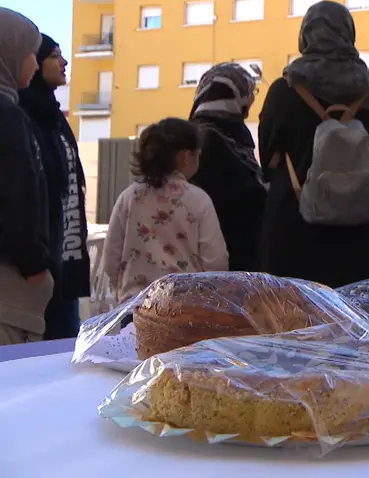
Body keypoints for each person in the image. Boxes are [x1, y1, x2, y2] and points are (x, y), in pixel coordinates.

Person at [256, 1, 369, 288]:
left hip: (295, 215)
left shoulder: (285, 90)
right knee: (356, 311)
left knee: (291, 313)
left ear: (305, 35)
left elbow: (268, 155)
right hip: (361, 217)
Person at [103, 118, 228, 306]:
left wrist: (119, 288)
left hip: (135, 307)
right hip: (187, 307)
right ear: (186, 156)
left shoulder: (129, 198)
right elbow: (216, 261)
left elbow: (111, 257)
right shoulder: (199, 200)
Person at [19, 34, 90, 340]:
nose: (64, 63)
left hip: (66, 260)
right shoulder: (21, 115)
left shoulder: (54, 117)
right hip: (35, 269)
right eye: (54, 56)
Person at [0, 8, 54, 345]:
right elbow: (18, 193)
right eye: (31, 53)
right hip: (9, 293)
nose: (35, 65)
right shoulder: (8, 117)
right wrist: (34, 265)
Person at [187, 63, 267, 271]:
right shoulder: (208, 139)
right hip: (220, 260)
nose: (250, 101)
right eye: (248, 93)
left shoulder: (227, 133)